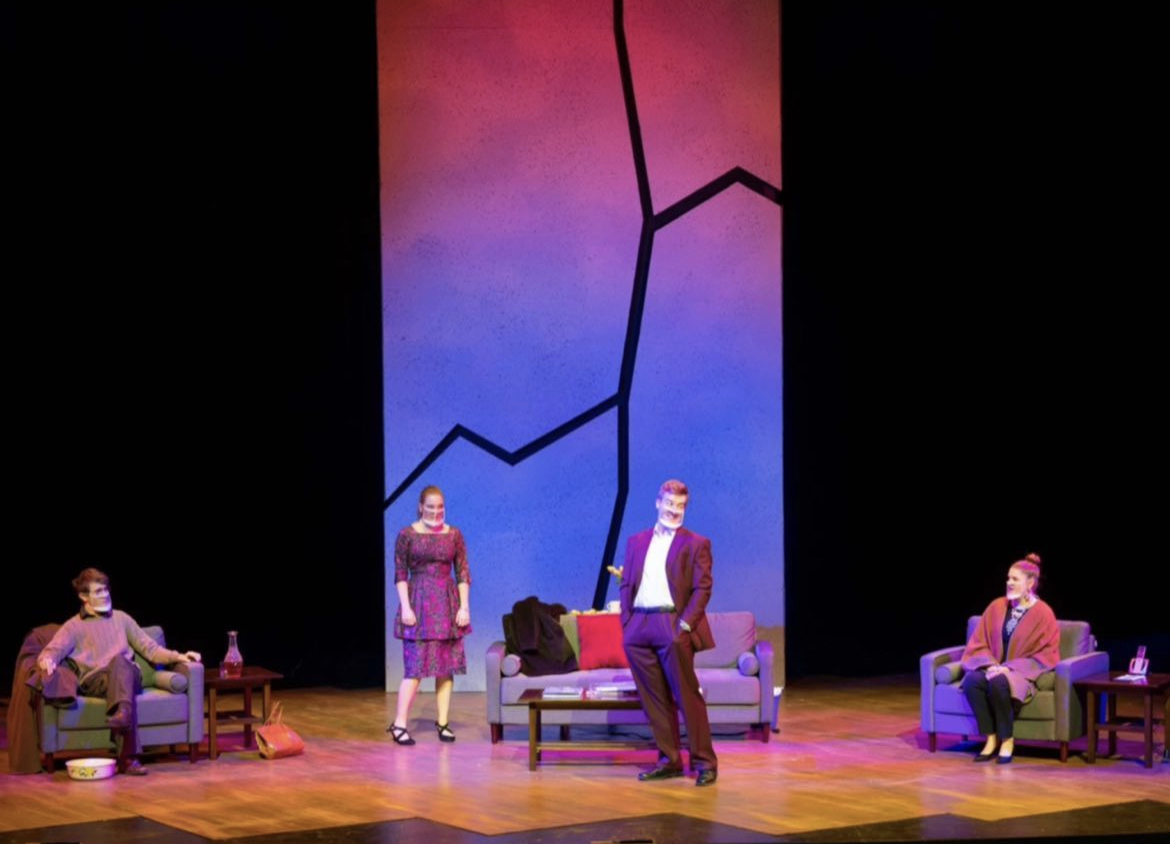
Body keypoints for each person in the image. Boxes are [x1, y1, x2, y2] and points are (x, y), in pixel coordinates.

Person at [36, 568, 202, 776]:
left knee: (121, 664)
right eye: (98, 591)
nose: (105, 594)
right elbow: (52, 651)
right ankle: (127, 756)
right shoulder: (73, 626)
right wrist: (46, 660)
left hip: (128, 674)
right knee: (122, 688)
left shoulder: (122, 619)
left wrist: (178, 656)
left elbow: (150, 649)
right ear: (84, 596)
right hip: (96, 681)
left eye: (106, 589)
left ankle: (123, 714)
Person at [619, 479, 717, 786]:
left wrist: (685, 625)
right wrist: (627, 623)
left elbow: (703, 588)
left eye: (681, 506)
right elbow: (627, 583)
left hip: (671, 624)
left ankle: (704, 763)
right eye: (670, 504)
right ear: (658, 503)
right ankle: (670, 761)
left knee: (687, 695)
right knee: (654, 700)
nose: (674, 511)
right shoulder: (636, 541)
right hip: (639, 626)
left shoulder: (696, 543)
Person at [387, 485, 471, 745]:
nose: (436, 512)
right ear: (421, 507)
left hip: (447, 604)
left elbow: (463, 573)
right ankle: (399, 724)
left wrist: (464, 607)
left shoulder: (454, 535)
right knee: (414, 668)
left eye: (440, 507)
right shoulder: (407, 535)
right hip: (419, 604)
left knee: (446, 668)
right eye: (431, 507)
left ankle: (443, 722)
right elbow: (401, 574)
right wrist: (406, 607)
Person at [959, 552, 1061, 764]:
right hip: (993, 667)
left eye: (1015, 579)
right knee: (972, 681)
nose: (1009, 583)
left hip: (1021, 674)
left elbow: (1046, 653)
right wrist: (989, 665)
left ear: (1030, 583)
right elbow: (979, 641)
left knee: (999, 682)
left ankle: (1007, 739)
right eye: (1008, 578)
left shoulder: (1043, 613)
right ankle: (990, 737)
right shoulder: (997, 606)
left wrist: (1008, 668)